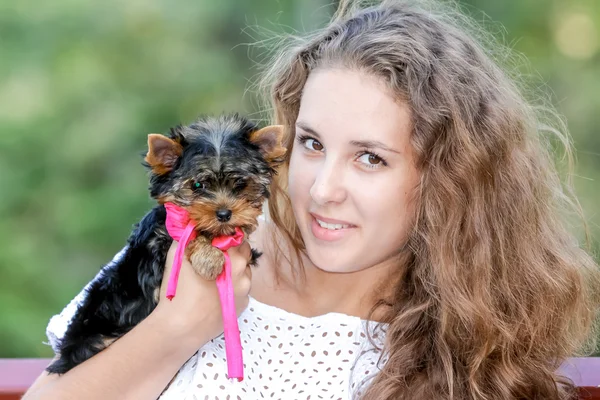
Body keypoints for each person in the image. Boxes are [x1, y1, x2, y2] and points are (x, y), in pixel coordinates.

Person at [24, 0, 600, 399]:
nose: (323, 189)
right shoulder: (189, 252)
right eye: (312, 143)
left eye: (370, 158)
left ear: (446, 179)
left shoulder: (468, 345)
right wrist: (174, 330)